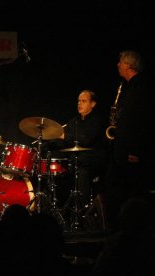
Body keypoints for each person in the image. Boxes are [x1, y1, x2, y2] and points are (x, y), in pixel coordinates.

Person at [104, 50, 155, 232]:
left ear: (129, 65)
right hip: (122, 153)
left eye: (120, 62)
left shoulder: (141, 88)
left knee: (130, 195)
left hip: (131, 154)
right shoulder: (130, 88)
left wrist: (137, 151)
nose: (118, 65)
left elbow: (143, 122)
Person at [59, 90, 107, 221]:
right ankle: (66, 213)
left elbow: (86, 140)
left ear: (93, 104)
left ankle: (82, 214)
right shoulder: (73, 122)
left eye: (84, 101)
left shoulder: (96, 121)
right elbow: (62, 140)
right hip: (76, 161)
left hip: (93, 162)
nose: (79, 104)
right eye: (79, 101)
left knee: (82, 169)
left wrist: (65, 136)